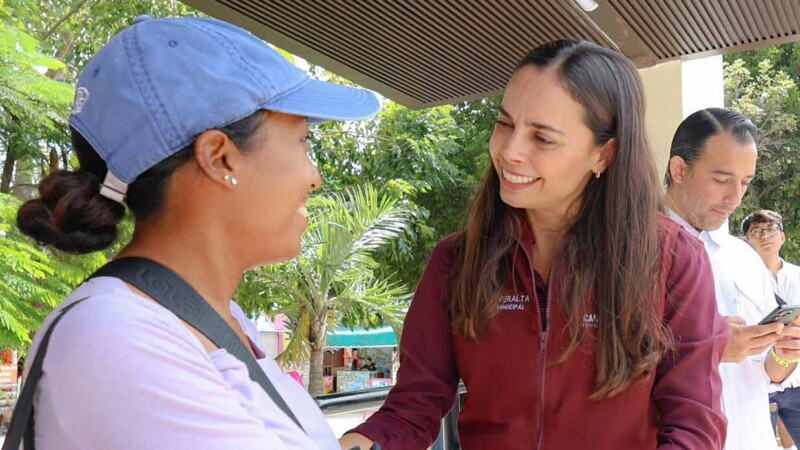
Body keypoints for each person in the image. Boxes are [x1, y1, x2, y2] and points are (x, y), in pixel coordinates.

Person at [340, 39, 729, 450]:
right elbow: (413, 407)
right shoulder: (457, 260)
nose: (509, 152)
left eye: (542, 139)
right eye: (505, 124)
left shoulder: (672, 258)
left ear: (604, 154)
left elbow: (693, 427)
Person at [14, 15, 379, 450]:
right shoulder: (119, 338)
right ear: (219, 157)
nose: (314, 176)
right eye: (303, 142)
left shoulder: (210, 317)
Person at [664, 108, 800, 450]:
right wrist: (708, 345)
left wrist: (786, 353)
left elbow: (766, 372)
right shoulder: (629, 252)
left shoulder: (743, 257)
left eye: (745, 182)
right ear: (680, 169)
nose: (735, 198)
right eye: (722, 179)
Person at [742, 209, 800, 449]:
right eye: (756, 231)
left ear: (783, 237)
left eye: (771, 229)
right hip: (760, 383)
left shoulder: (798, 275)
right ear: (747, 241)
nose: (764, 235)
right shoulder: (741, 281)